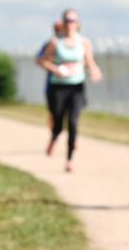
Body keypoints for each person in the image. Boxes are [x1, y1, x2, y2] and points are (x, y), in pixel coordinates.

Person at [36, 9, 103, 172]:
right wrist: (56, 69)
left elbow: (90, 62)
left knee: (73, 121)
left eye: (73, 20)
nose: (70, 23)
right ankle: (54, 137)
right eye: (67, 20)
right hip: (58, 87)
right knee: (58, 121)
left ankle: (70, 159)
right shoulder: (54, 42)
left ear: (78, 23)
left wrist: (94, 70)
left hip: (76, 86)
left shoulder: (84, 42)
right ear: (63, 22)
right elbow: (41, 60)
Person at [37, 21, 64, 133]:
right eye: (57, 29)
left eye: (61, 28)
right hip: (52, 84)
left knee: (68, 112)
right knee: (53, 111)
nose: (59, 31)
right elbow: (40, 60)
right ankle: (54, 134)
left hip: (70, 84)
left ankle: (66, 133)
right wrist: (54, 66)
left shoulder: (71, 44)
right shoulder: (50, 44)